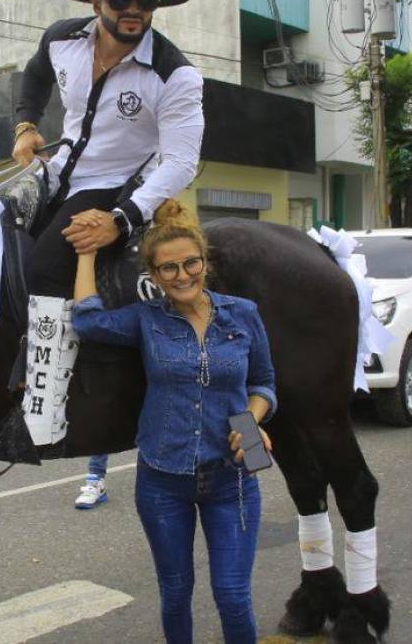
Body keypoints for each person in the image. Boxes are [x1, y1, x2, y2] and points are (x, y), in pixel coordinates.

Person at [0, 0, 204, 452]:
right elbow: (36, 75)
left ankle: (40, 418)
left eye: (146, 2)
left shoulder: (174, 73)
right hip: (58, 169)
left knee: (46, 266)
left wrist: (121, 218)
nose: (135, 10)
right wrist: (25, 124)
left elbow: (182, 161)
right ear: (95, 3)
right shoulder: (61, 39)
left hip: (117, 186)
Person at [72, 200, 275, 644]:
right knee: (176, 591)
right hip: (163, 481)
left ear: (204, 262)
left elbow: (263, 383)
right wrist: (86, 252)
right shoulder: (146, 320)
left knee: (233, 595)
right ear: (154, 276)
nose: (182, 276)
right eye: (168, 269)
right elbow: (87, 322)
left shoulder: (243, 314)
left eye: (190, 263)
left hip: (233, 478)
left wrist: (254, 421)